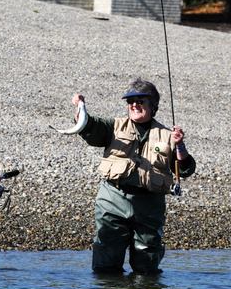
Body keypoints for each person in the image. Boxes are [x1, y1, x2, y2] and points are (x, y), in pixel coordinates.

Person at [71, 77, 196, 275]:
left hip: (149, 204)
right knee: (106, 260)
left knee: (147, 265)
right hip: (112, 199)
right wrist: (80, 109)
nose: (134, 105)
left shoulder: (167, 135)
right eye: (130, 102)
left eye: (140, 101)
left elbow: (186, 169)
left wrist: (179, 145)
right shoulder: (113, 126)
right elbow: (90, 128)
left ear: (153, 106)